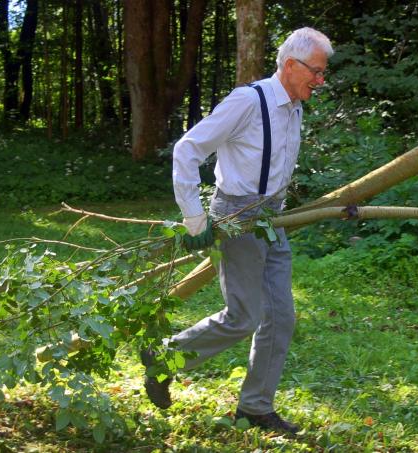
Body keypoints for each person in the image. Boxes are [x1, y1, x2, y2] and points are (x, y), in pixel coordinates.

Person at [141, 27, 333, 435]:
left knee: (280, 318)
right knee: (245, 316)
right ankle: (165, 359)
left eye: (322, 73)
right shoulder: (248, 100)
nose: (320, 80)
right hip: (237, 216)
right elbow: (187, 148)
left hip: (272, 220)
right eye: (315, 71)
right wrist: (195, 218)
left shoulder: (295, 105)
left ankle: (254, 408)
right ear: (290, 65)